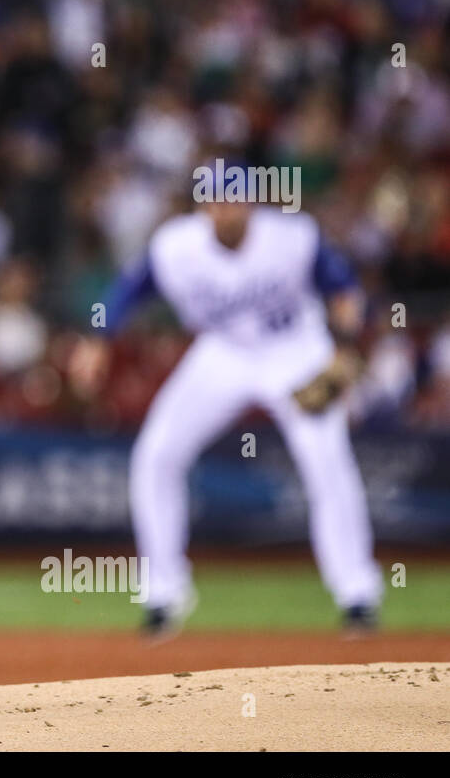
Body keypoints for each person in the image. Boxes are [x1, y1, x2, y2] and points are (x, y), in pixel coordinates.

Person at [70, 199, 382, 638]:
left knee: (327, 462)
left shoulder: (291, 237)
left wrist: (345, 348)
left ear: (252, 206)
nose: (225, 212)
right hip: (224, 353)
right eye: (216, 203)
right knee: (156, 455)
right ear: (204, 208)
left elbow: (344, 291)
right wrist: (98, 339)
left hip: (295, 350)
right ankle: (163, 596)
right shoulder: (177, 246)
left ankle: (358, 595)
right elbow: (129, 289)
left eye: (234, 203)